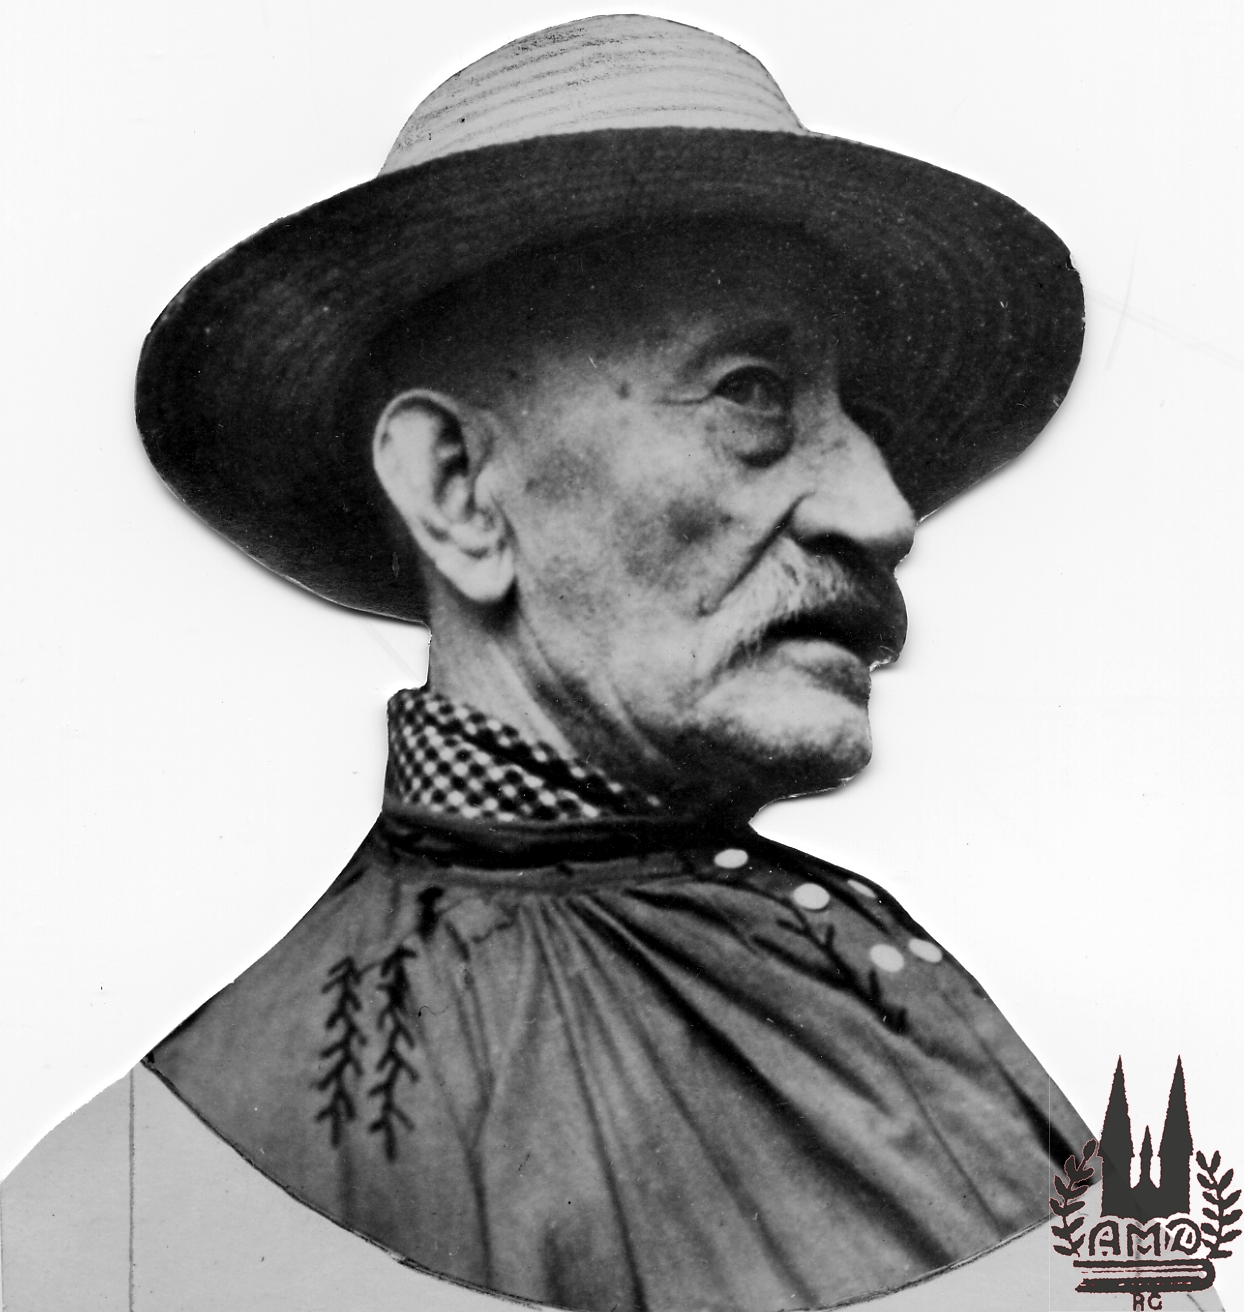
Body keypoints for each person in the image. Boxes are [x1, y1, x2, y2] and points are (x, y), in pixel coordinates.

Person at [4, 14, 1146, 1312]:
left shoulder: (856, 969)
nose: (883, 512)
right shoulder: (137, 1221)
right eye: (751, 392)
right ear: (456, 490)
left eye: (862, 418)